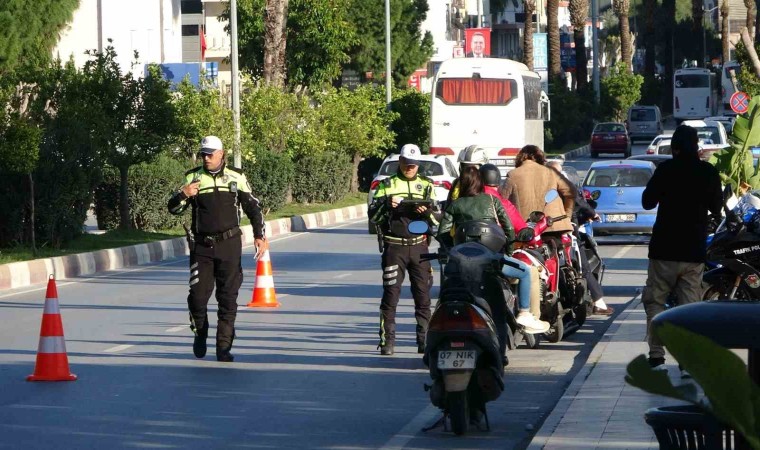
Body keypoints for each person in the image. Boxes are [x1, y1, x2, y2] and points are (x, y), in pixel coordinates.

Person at [167, 135, 267, 362]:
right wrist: (184, 194)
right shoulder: (193, 177)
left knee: (228, 298)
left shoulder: (236, 177)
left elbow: (253, 207)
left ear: (221, 154)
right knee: (197, 297)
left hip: (229, 244)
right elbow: (173, 209)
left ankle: (224, 346)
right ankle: (200, 331)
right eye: (203, 154)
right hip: (202, 246)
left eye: (210, 154)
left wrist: (260, 236)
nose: (206, 158)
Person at [641, 125, 722, 374]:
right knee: (690, 306)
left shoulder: (665, 170)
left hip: (664, 249)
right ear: (697, 146)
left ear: (674, 148)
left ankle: (656, 355)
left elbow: (647, 202)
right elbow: (717, 206)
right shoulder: (707, 172)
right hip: (693, 250)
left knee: (655, 300)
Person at [437, 165, 550, 342]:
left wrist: (452, 251)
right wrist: (509, 252)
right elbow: (509, 229)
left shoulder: (455, 205)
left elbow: (442, 233)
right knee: (526, 272)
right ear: (481, 182)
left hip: (462, 262)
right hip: (492, 259)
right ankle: (524, 312)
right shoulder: (492, 201)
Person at [368, 144, 441, 356]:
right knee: (391, 295)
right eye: (406, 164)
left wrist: (426, 211)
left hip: (419, 247)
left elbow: (437, 219)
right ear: (399, 161)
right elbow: (373, 217)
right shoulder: (387, 184)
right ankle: (387, 341)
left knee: (423, 296)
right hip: (394, 247)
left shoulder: (427, 185)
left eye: (413, 165)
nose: (410, 168)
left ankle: (424, 340)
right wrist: (386, 204)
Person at [545, 160, 613, 316]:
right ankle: (598, 302)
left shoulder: (540, 185)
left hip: (541, 228)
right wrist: (592, 213)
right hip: (565, 226)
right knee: (583, 265)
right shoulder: (560, 184)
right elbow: (577, 200)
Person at [500, 145, 575, 236]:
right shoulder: (551, 172)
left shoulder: (513, 174)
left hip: (527, 230)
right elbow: (571, 192)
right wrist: (567, 216)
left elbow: (502, 201)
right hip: (554, 224)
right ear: (541, 158)